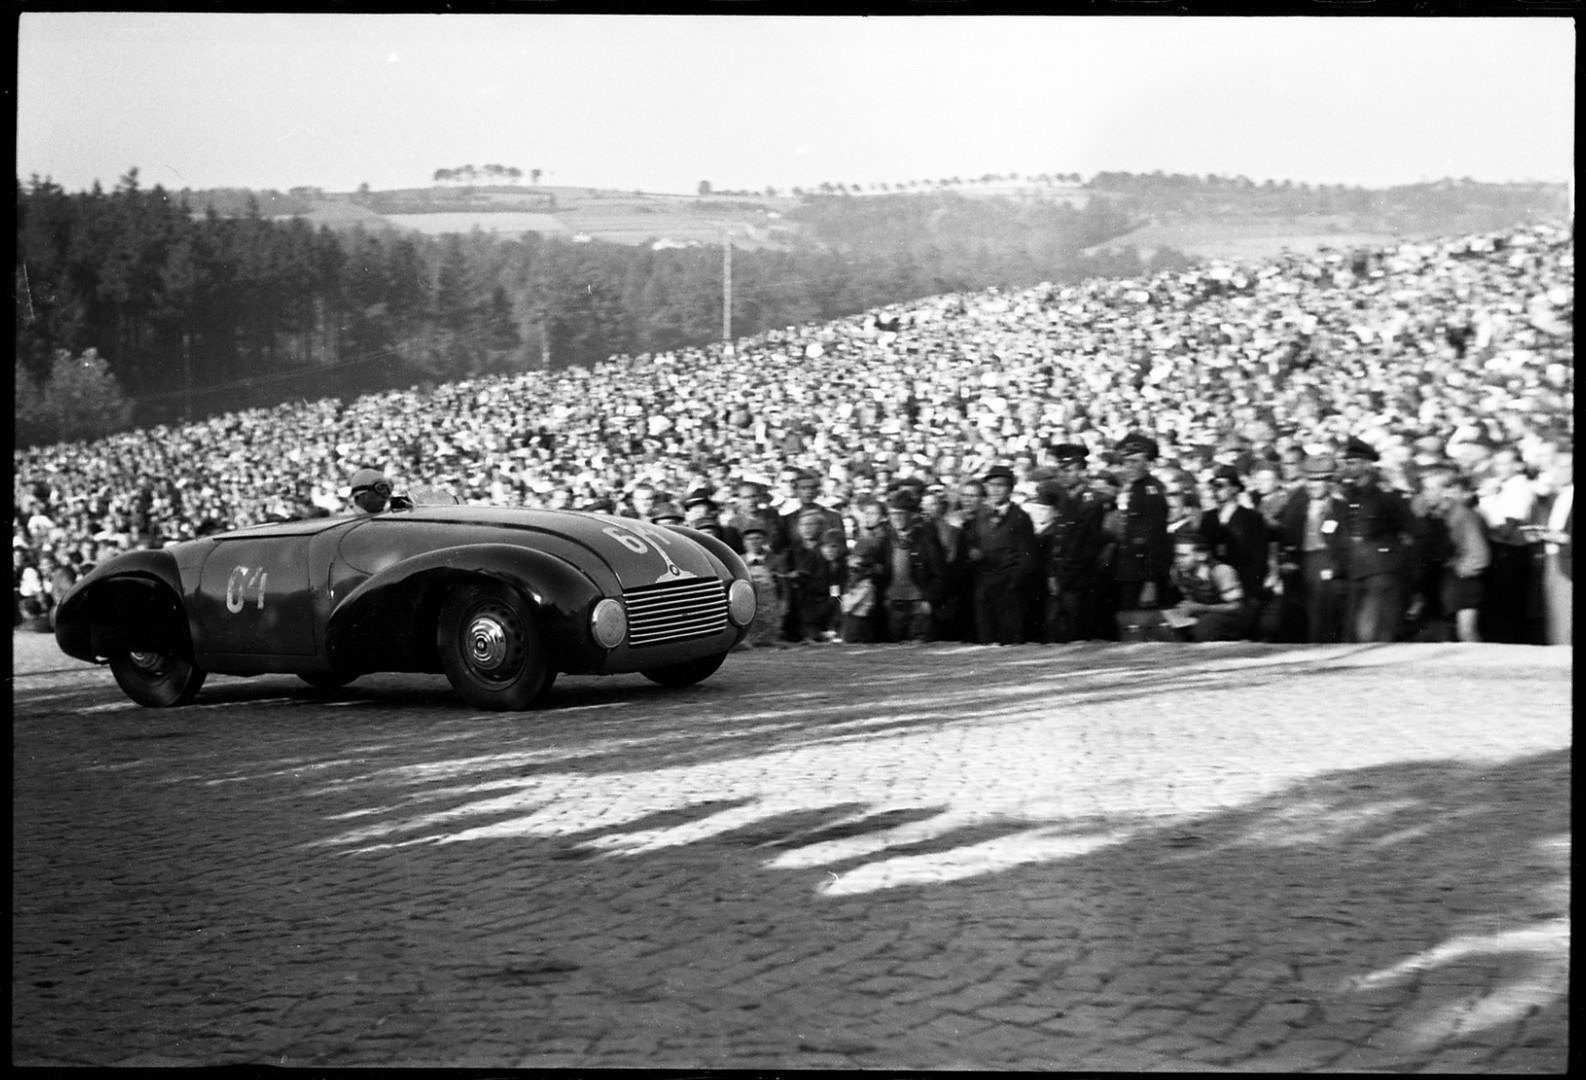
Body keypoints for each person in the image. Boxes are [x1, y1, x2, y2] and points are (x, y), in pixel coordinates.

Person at [1337, 437, 1419, 643]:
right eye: (1347, 463)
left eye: (1353, 463)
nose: (1348, 467)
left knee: (1372, 631)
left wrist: (1398, 559)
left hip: (1382, 570)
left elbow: (1416, 531)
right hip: (1357, 569)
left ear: (1367, 465)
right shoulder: (1349, 497)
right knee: (1357, 630)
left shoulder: (1386, 496)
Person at [1274, 454, 1348, 643]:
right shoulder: (1296, 505)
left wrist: (1334, 568)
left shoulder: (1339, 508)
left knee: (1321, 620)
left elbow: (1345, 545)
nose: (1312, 485)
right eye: (1309, 480)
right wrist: (1286, 561)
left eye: (1318, 481)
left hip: (1325, 566)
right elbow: (1285, 535)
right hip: (1300, 564)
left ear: (1329, 482)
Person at [1420, 466, 1490, 643]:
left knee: (1466, 633)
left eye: (1430, 489)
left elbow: (1479, 554)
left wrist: (1458, 572)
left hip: (1460, 583)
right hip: (1441, 582)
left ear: (1446, 491)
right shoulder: (1431, 515)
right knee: (1442, 636)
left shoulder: (1464, 516)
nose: (1425, 494)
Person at [1198, 464, 1268, 640]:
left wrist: (1251, 592)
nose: (1216, 491)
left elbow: (1259, 559)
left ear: (1235, 489)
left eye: (1221, 485)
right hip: (1215, 592)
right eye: (1213, 486)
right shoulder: (1208, 518)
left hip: (1244, 591)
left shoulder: (1252, 519)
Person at [1111, 434, 1172, 631]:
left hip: (1143, 572)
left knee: (1142, 625)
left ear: (1147, 463)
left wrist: (1150, 580)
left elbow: (1156, 539)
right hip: (1128, 569)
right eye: (1126, 462)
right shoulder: (1132, 489)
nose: (1130, 467)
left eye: (1136, 461)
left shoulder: (1151, 491)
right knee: (1129, 622)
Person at [1046, 442, 1106, 643]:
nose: (1063, 475)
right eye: (1060, 470)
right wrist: (1053, 573)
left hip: (1079, 579)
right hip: (1063, 577)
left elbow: (1083, 547)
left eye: (1068, 470)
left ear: (1082, 472)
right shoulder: (1064, 498)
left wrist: (1060, 578)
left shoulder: (1091, 502)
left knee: (1076, 635)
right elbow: (1058, 540)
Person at [972, 464, 1036, 644]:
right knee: (987, 637)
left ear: (1010, 489)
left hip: (1009, 587)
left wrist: (1012, 582)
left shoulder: (1020, 517)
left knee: (1010, 638)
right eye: (991, 485)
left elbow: (1027, 557)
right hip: (985, 584)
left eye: (1000, 485)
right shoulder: (980, 515)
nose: (995, 490)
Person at [875, 486, 945, 642]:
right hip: (894, 603)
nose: (896, 518)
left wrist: (929, 600)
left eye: (900, 514)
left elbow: (940, 574)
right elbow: (880, 570)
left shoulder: (926, 539)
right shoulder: (887, 540)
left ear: (911, 515)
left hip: (918, 603)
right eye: (893, 514)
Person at [1165, 532, 1248, 642]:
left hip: (1231, 617)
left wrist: (1201, 608)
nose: (1177, 560)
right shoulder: (1177, 572)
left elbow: (1237, 607)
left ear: (1202, 556)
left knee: (1205, 626)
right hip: (1203, 614)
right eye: (1176, 555)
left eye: (1183, 556)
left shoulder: (1221, 571)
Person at [739, 522, 782, 648]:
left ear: (764, 540)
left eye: (757, 538)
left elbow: (783, 586)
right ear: (744, 542)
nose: (753, 542)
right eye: (749, 539)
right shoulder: (739, 560)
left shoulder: (776, 559)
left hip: (770, 608)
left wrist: (784, 604)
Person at [838, 536, 886, 644]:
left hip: (859, 619)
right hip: (853, 618)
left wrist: (845, 599)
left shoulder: (866, 582)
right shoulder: (854, 575)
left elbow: (848, 605)